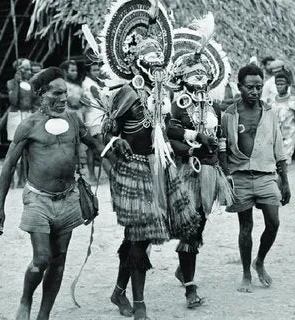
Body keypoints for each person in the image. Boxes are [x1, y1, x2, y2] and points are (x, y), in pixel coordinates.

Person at [99, 1, 195, 318]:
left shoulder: (159, 95)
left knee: (140, 237)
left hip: (158, 167)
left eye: (158, 62)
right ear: (138, 64)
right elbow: (107, 134)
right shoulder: (125, 93)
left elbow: (164, 130)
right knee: (140, 238)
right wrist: (115, 141)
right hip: (133, 171)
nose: (156, 68)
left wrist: (186, 137)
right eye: (150, 63)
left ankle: (118, 292)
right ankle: (139, 304)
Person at [0, 67, 105, 320]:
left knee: (59, 260)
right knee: (42, 258)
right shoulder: (28, 125)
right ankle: (25, 299)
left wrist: (112, 145)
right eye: (56, 93)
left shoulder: (74, 120)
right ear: (42, 94)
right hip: (38, 200)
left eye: (65, 92)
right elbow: (9, 165)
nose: (63, 98)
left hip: (68, 198)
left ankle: (43, 316)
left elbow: (94, 144)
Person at [167, 15, 234, 308]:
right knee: (191, 227)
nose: (200, 79)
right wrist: (193, 146)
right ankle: (190, 288)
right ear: (184, 79)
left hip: (211, 172)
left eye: (203, 74)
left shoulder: (215, 107)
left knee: (201, 222)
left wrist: (225, 171)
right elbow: (171, 133)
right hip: (188, 171)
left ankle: (184, 268)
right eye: (194, 75)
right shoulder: (179, 105)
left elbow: (220, 141)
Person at [220, 64, 291, 293]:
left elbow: (278, 147)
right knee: (245, 227)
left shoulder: (269, 112)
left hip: (266, 175)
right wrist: (225, 175)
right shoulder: (229, 115)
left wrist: (285, 182)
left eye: (259, 87)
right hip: (240, 176)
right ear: (240, 87)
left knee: (274, 222)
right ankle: (246, 274)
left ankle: (259, 261)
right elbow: (223, 147)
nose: (255, 91)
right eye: (250, 87)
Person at [6, 58, 37, 188]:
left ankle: (23, 179)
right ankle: (11, 179)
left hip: (28, 115)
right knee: (15, 148)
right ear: (19, 70)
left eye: (30, 68)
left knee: (27, 148)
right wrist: (17, 83)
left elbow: (33, 101)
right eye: (26, 68)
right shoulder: (11, 83)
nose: (29, 71)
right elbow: (13, 101)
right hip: (16, 116)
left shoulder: (30, 84)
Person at [81, 61, 106, 182]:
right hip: (95, 118)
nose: (97, 72)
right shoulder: (91, 84)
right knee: (101, 146)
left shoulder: (87, 83)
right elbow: (101, 100)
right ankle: (107, 172)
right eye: (94, 70)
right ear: (88, 72)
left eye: (98, 69)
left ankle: (92, 175)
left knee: (91, 148)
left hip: (91, 117)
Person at [271, 69, 295, 164]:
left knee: (284, 164)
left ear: (288, 85)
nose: (279, 86)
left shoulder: (292, 103)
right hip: (274, 139)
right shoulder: (271, 102)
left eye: (282, 84)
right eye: (277, 84)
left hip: (288, 139)